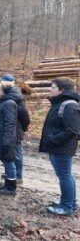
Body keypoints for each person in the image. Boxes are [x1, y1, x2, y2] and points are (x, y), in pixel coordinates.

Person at [39, 78, 80, 216]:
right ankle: (71, 202)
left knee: (64, 176)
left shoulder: (69, 105)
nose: (51, 90)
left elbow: (72, 130)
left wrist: (52, 140)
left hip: (61, 148)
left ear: (61, 90)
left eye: (53, 87)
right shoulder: (62, 103)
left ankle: (66, 207)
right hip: (58, 147)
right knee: (65, 175)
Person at [0, 74, 30, 185]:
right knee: (9, 153)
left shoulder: (17, 98)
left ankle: (18, 176)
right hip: (9, 128)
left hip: (16, 130)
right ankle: (11, 173)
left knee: (16, 154)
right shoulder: (8, 95)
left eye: (1, 82)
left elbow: (25, 117)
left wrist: (23, 128)